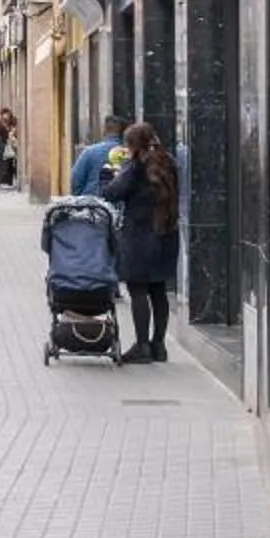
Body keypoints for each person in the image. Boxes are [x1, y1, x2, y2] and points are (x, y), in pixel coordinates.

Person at [98, 121, 181, 362]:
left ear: (133, 145)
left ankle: (142, 346)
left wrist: (106, 174)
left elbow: (112, 193)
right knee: (158, 289)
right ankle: (159, 346)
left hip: (139, 235)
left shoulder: (135, 167)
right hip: (167, 233)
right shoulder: (169, 162)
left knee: (138, 289)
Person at [70, 113, 130, 197]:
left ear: (104, 131)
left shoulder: (89, 152)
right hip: (119, 205)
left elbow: (75, 181)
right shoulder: (128, 155)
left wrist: (82, 197)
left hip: (91, 204)